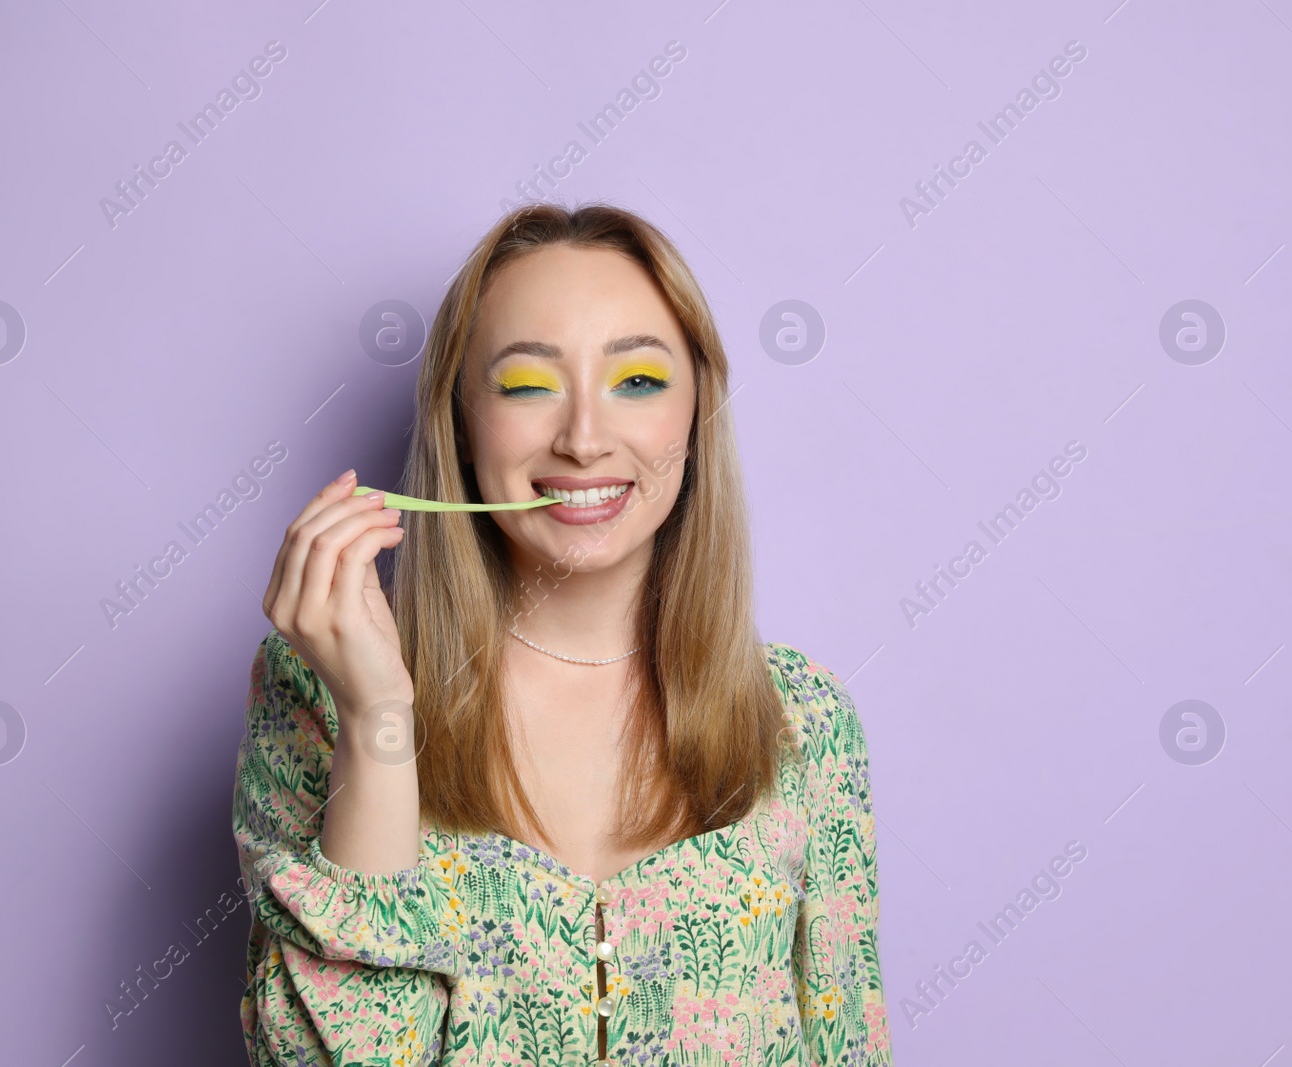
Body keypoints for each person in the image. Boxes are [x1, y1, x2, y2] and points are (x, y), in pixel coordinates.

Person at [232, 202, 892, 1065]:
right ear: (460, 423)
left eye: (639, 381)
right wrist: (379, 719)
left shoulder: (804, 720)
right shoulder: (320, 690)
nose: (584, 439)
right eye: (529, 385)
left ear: (695, 416)